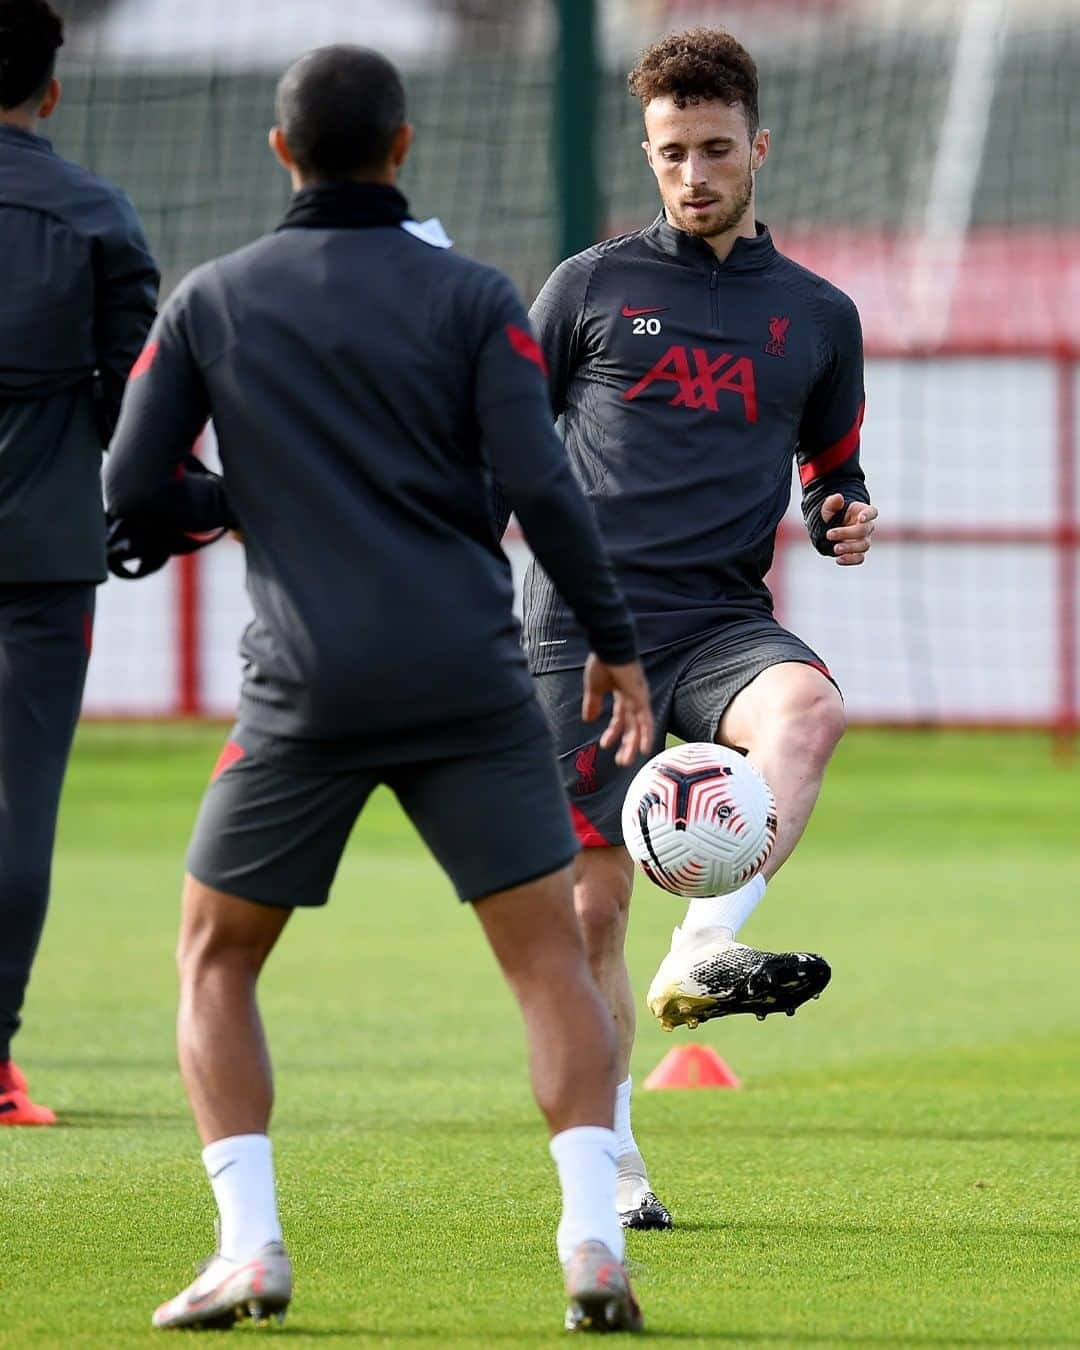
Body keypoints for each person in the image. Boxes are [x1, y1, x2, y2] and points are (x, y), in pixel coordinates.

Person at [104, 44, 655, 1335]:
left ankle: (249, 1243)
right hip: (468, 673)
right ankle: (589, 1235)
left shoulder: (212, 299)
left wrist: (241, 499)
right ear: (403, 149)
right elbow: (543, 484)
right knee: (546, 964)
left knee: (215, 958)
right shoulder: (472, 296)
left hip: (303, 686)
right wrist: (618, 642)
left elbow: (131, 490)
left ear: (281, 151)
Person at [519, 27, 878, 1230]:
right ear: (649, 151)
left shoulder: (818, 315)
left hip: (721, 617)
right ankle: (615, 1165)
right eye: (672, 152)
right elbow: (510, 444)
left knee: (810, 707)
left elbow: (834, 471)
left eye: (716, 149)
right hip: (582, 626)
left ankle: (705, 948)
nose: (695, 174)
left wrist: (841, 513)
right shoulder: (588, 287)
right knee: (590, 913)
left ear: (758, 147)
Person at [0, 0, 158, 1126]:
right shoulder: (97, 216)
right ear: (51, 90)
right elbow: (129, 408)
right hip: (40, 557)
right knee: (16, 810)